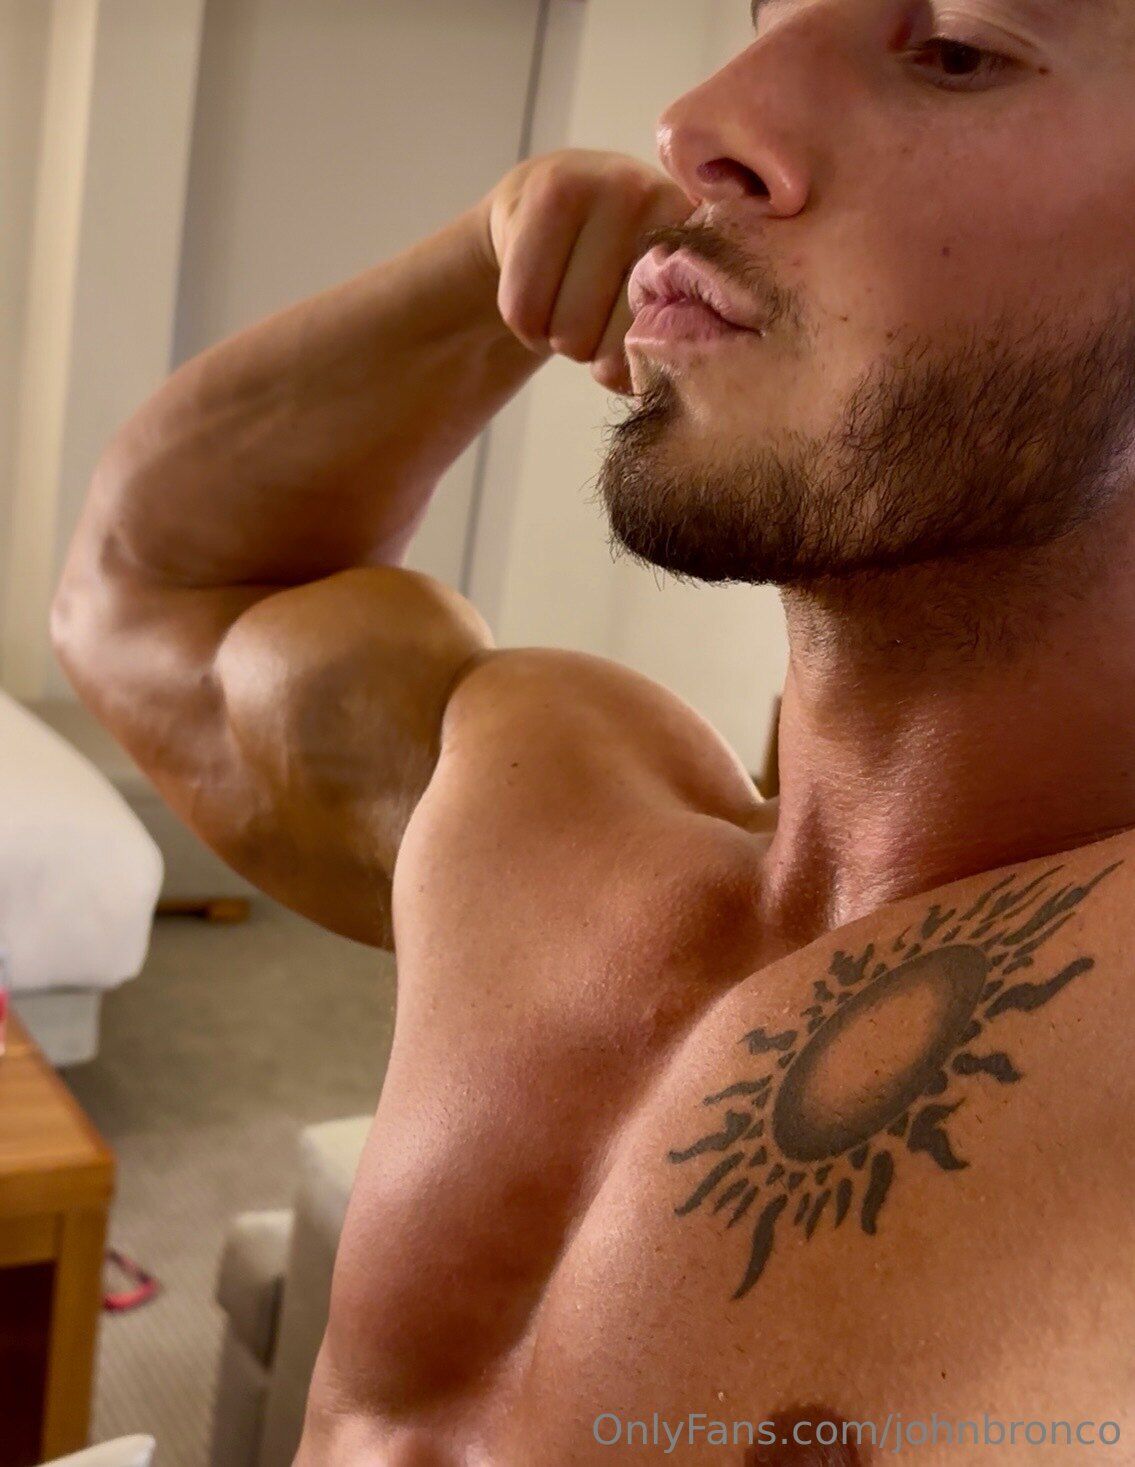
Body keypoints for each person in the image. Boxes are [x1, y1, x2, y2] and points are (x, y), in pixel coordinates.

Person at [51, 2, 1135, 1460]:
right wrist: (487, 263)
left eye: (954, 47)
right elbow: (151, 592)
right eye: (765, 17)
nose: (695, 124)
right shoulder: (544, 799)